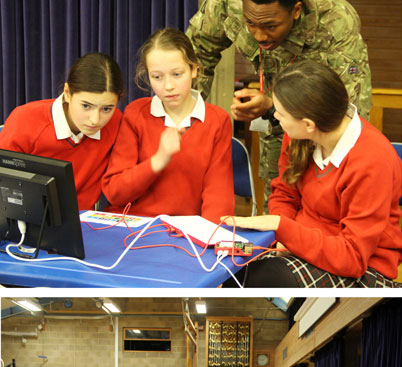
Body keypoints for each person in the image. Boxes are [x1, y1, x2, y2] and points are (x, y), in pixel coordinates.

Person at [187, 0, 372, 197]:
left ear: (295, 11)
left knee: (317, 206)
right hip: (277, 126)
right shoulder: (229, 1)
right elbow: (196, 53)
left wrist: (273, 104)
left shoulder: (335, 23)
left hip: (320, 134)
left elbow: (345, 110)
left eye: (271, 27)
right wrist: (188, 119)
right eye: (250, 23)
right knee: (277, 202)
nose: (259, 36)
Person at [221, 61, 402, 288]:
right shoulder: (300, 134)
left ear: (308, 124)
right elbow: (285, 195)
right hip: (304, 244)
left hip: (362, 267)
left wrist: (283, 229)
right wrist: (281, 238)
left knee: (262, 279)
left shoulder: (372, 160)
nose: (276, 116)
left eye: (280, 113)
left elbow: (352, 258)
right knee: (230, 267)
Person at [103, 28, 233, 222]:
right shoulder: (135, 113)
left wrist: (210, 239)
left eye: (177, 74)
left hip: (185, 232)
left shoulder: (217, 120)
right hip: (136, 227)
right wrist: (157, 161)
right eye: (157, 77)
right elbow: (115, 193)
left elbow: (218, 195)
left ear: (194, 69)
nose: (168, 86)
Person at [0, 53, 123, 211]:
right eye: (86, 106)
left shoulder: (115, 122)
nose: (95, 119)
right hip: (25, 220)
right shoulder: (25, 120)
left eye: (106, 109)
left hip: (83, 223)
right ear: (67, 93)